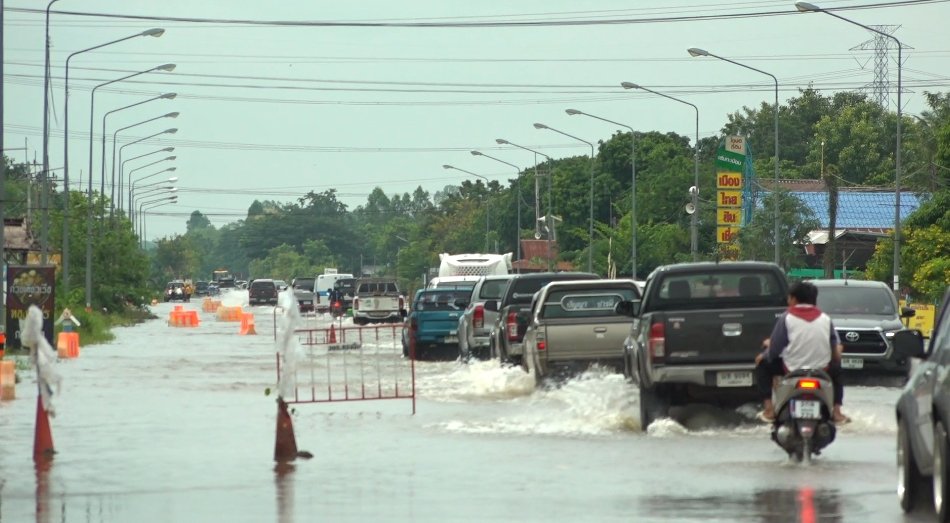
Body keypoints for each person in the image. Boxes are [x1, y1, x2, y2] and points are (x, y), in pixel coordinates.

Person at [755, 280, 849, 424]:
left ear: (793, 299)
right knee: (838, 371)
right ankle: (837, 412)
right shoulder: (825, 319)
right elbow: (835, 353)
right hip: (822, 370)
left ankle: (769, 410)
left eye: (789, 298)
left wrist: (764, 355)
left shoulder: (786, 318)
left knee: (762, 365)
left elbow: (774, 351)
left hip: (792, 369)